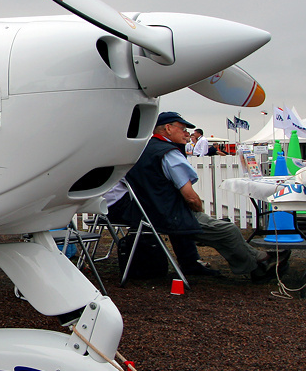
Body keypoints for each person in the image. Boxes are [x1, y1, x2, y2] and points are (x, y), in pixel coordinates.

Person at [116, 111, 288, 280]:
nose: (187, 134)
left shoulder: (142, 150)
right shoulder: (169, 153)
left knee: (220, 227)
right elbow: (191, 197)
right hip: (168, 215)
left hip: (146, 213)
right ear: (168, 128)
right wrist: (198, 210)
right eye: (183, 129)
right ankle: (258, 268)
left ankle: (261, 258)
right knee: (228, 230)